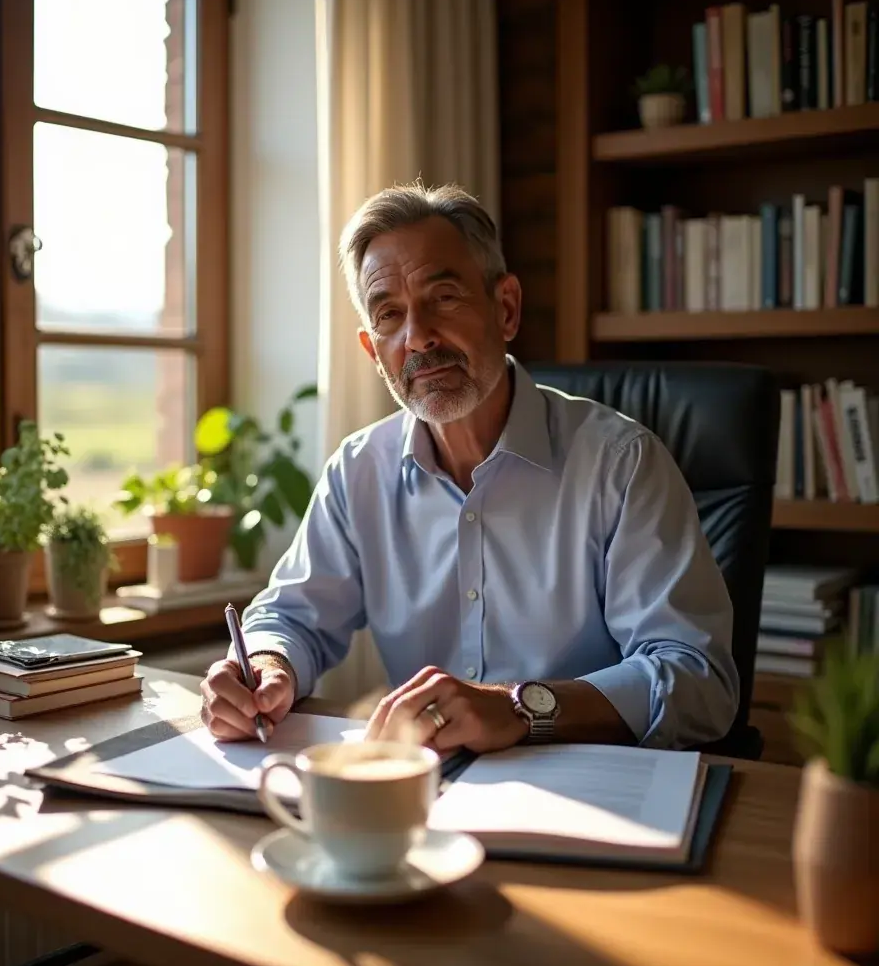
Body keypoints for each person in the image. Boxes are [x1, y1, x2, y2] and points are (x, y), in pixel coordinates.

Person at [201, 182, 739, 753]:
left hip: (599, 796)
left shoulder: (621, 465)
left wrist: (520, 708)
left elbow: (698, 681)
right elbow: (292, 617)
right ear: (371, 350)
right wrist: (264, 664)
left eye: (445, 298)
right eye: (389, 315)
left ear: (505, 309)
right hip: (426, 800)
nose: (419, 338)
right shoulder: (358, 471)